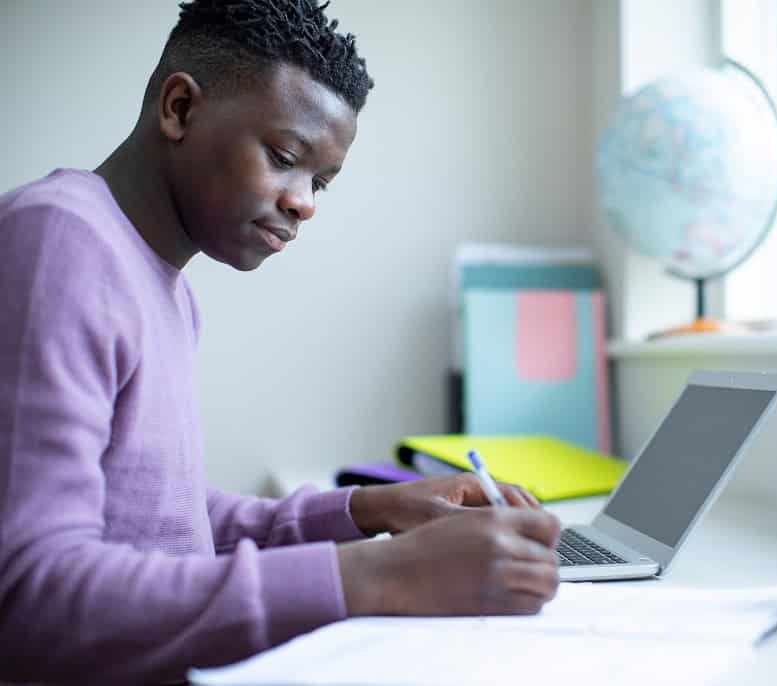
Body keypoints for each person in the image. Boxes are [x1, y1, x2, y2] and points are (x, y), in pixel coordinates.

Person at [0, 1, 561, 683]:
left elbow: (161, 518)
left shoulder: (164, 288)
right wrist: (377, 575)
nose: (305, 203)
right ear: (179, 108)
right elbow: (30, 596)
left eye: (320, 182)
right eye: (285, 158)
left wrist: (369, 510)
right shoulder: (60, 243)